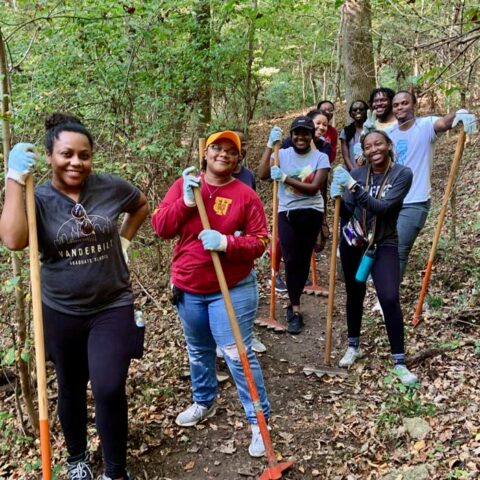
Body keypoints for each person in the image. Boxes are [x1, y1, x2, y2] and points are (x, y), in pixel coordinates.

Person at [0, 114, 149, 480]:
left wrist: (124, 241)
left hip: (112, 304)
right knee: (69, 386)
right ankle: (77, 459)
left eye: (84, 155)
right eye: (66, 154)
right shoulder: (38, 197)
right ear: (50, 155)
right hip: (61, 309)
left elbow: (140, 205)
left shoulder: (109, 187)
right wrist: (14, 180)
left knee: (109, 386)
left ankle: (115, 470)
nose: (76, 162)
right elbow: (14, 240)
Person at [151, 130, 270, 458]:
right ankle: (204, 401)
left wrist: (227, 243)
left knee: (236, 354)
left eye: (231, 151)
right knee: (199, 351)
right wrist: (186, 203)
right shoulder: (186, 185)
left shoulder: (246, 195)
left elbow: (260, 241)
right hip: (188, 286)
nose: (223, 154)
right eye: (217, 148)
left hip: (231, 289)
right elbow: (161, 227)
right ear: (205, 153)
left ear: (238, 159)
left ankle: (258, 421)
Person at [330, 130, 418, 386]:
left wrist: (352, 187)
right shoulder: (358, 173)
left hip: (384, 243)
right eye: (368, 146)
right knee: (354, 292)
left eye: (379, 143)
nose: (374, 149)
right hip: (354, 241)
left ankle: (400, 361)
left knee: (389, 297)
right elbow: (349, 207)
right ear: (364, 152)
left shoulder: (402, 174)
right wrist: (340, 193)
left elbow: (383, 207)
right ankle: (353, 345)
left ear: (389, 145)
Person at [386, 91, 477, 279]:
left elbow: (444, 123)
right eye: (396, 105)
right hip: (389, 201)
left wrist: (459, 113)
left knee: (399, 250)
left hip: (415, 201)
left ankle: (388, 297)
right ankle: (383, 290)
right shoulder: (389, 134)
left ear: (414, 105)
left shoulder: (425, 126)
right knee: (385, 248)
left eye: (405, 103)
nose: (400, 107)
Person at [258, 116, 330, 334]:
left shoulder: (321, 157)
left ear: (311, 136)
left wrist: (285, 178)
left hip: (312, 212)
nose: (301, 137)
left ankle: (294, 300)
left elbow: (315, 187)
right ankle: (295, 306)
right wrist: (270, 148)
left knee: (302, 259)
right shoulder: (282, 154)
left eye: (305, 133)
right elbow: (262, 175)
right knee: (290, 259)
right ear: (291, 135)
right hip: (287, 212)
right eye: (297, 133)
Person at [340, 100, 369, 171]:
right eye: (355, 110)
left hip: (371, 170)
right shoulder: (346, 131)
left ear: (366, 111)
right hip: (353, 170)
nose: (358, 111)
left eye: (361, 109)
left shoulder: (372, 128)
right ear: (351, 113)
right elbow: (345, 156)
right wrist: (353, 171)